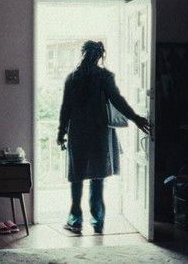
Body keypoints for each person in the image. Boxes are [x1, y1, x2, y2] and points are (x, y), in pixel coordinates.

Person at [56, 41, 153, 234]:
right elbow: (118, 101)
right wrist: (135, 118)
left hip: (78, 132)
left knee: (77, 177)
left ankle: (75, 221)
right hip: (99, 132)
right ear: (100, 56)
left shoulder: (72, 78)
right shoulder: (104, 77)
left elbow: (65, 108)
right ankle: (97, 222)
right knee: (97, 178)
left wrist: (61, 132)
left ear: (83, 54)